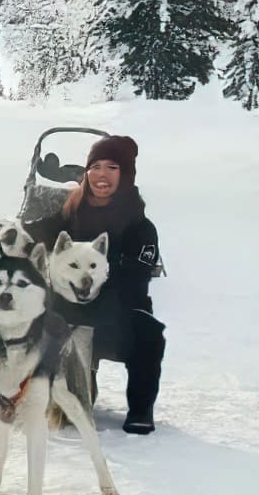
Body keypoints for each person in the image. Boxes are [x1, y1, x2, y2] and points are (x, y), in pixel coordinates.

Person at [30, 134, 165, 434]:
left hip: (117, 321)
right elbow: (30, 233)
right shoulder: (69, 213)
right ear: (86, 172)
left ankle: (141, 408)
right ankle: (45, 391)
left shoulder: (141, 227)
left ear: (126, 174)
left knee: (150, 334)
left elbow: (135, 284)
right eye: (96, 166)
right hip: (66, 315)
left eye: (112, 167)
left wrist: (88, 300)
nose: (101, 175)